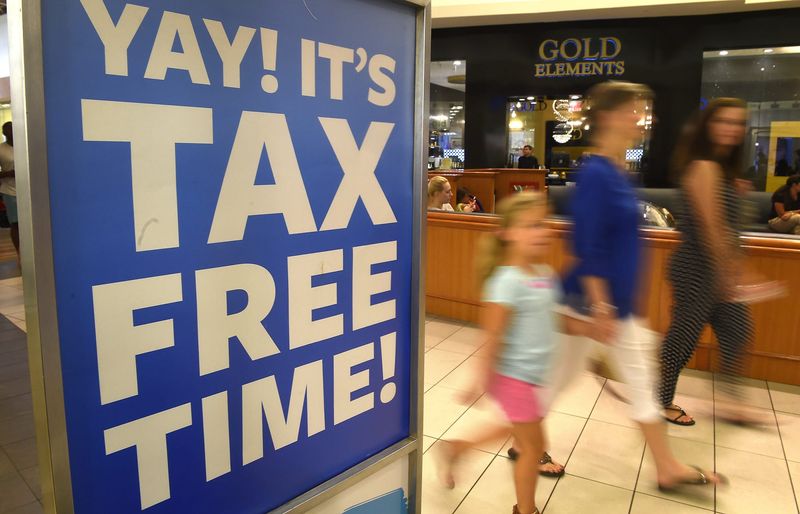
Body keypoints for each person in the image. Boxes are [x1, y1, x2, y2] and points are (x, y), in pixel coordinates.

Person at [556, 81, 722, 490]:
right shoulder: (595, 172)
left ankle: (666, 467)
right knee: (554, 384)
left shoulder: (619, 169)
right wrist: (600, 306)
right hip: (590, 304)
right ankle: (667, 467)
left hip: (612, 306)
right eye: (635, 110)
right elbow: (587, 244)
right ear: (610, 115)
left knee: (567, 383)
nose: (642, 118)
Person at [435, 192, 588, 514]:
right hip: (513, 377)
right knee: (533, 447)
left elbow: (554, 317)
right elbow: (492, 336)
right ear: (507, 233)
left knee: (512, 430)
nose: (543, 232)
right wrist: (479, 379)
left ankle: (456, 449)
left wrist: (587, 328)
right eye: (532, 225)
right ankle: (525, 509)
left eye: (543, 224)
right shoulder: (506, 282)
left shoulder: (544, 274)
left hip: (535, 376)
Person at [658, 98, 761, 426]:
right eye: (724, 121)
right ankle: (660, 401)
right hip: (697, 267)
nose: (732, 129)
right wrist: (736, 272)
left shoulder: (722, 170)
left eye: (737, 123)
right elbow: (712, 229)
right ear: (708, 126)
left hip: (714, 268)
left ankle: (732, 402)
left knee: (737, 330)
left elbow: (726, 225)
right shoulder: (703, 166)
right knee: (684, 337)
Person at [0, 122, 18, 260]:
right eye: (8, 130)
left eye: (13, 129)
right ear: (4, 133)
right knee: (16, 223)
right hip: (9, 190)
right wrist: (7, 173)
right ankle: (19, 254)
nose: (11, 132)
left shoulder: (24, 146)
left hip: (29, 190)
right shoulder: (1, 149)